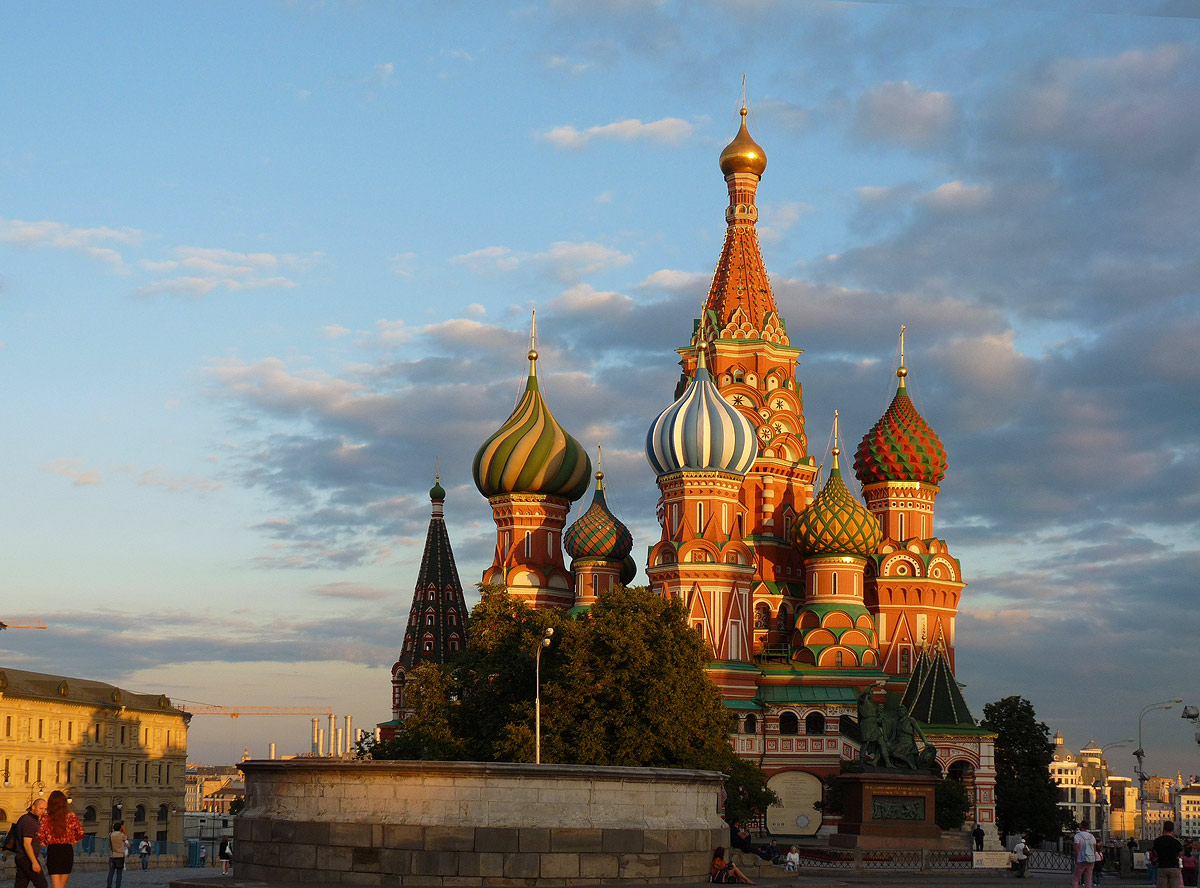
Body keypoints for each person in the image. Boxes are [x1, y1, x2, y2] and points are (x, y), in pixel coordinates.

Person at [36, 791, 84, 888]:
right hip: (67, 850)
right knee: (62, 885)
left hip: (53, 851)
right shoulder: (72, 816)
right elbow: (80, 833)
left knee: (56, 885)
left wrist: (45, 842)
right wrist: (73, 840)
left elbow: (40, 835)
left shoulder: (46, 817)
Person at [14, 798, 48, 888]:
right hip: (26, 858)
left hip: (22, 857)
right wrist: (34, 862)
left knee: (21, 884)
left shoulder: (28, 819)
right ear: (33, 807)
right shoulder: (29, 821)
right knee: (42, 884)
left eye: (45, 809)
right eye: (41, 808)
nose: (43, 811)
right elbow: (27, 844)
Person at [1153, 820, 1184, 888]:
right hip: (1174, 867)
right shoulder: (1176, 842)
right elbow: (1180, 854)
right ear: (1172, 830)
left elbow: (1155, 853)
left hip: (1162, 867)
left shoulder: (1157, 841)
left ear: (1163, 829)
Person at [1073, 819, 1097, 888]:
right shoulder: (1092, 836)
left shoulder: (1077, 836)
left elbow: (1076, 848)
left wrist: (1076, 859)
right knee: (1089, 879)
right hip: (1090, 860)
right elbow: (1094, 849)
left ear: (1081, 826)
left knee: (1076, 878)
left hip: (1081, 859)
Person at [106, 821, 128, 888]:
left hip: (112, 855)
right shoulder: (122, 835)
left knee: (111, 872)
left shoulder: (110, 835)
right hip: (120, 855)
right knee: (119, 873)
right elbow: (127, 837)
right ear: (120, 828)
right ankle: (118, 886)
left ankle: (109, 886)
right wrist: (124, 830)